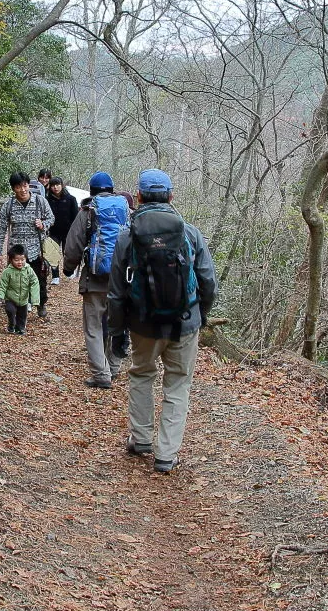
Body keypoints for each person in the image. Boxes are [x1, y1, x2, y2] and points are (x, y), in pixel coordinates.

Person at [107, 169, 217, 473]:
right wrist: (200, 314)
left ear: (138, 197)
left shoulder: (127, 236)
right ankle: (166, 454)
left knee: (142, 375)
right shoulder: (190, 233)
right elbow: (208, 281)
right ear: (171, 197)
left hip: (143, 324)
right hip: (185, 322)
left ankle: (141, 439)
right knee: (178, 384)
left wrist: (117, 332)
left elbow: (116, 292)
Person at [62, 171, 130, 388]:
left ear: (92, 190)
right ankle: (114, 366)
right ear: (112, 189)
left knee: (93, 327)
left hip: (94, 280)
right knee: (117, 324)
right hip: (122, 281)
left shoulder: (88, 211)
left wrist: (68, 268)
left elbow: (73, 243)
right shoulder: (127, 211)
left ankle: (101, 374)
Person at [0, 171, 54, 318]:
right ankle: (19, 308)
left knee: (39, 280)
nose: (22, 190)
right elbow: (1, 228)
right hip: (16, 251)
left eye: (25, 185)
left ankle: (41, 304)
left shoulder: (40, 201)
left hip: (36, 249)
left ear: (28, 185)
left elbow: (51, 218)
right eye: (18, 187)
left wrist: (43, 224)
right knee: (16, 281)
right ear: (13, 188)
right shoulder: (8, 205)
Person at [0, 244, 40, 334]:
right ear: (11, 260)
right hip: (10, 298)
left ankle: (20, 329)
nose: (20, 262)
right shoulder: (7, 272)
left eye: (22, 260)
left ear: (26, 259)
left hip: (23, 299)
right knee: (11, 311)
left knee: (22, 316)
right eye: (16, 260)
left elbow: (34, 283)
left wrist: (35, 299)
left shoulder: (29, 271)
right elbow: (2, 285)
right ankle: (11, 325)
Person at [46, 177, 78, 285]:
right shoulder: (47, 200)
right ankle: (55, 276)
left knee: (68, 253)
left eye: (58, 184)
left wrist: (75, 232)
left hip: (68, 232)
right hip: (53, 231)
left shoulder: (71, 199)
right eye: (53, 185)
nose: (55, 187)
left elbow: (75, 217)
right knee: (52, 253)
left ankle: (69, 271)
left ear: (62, 185)